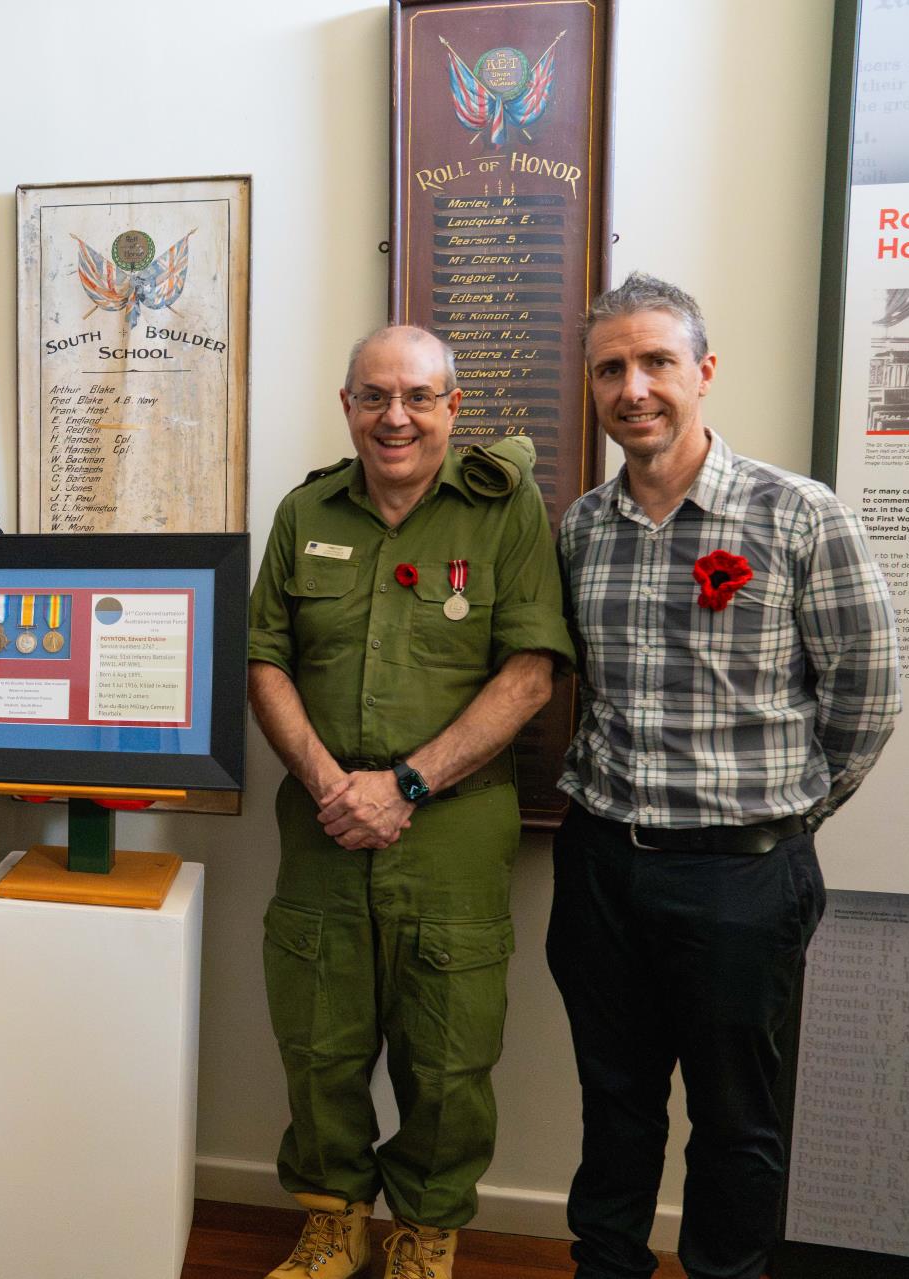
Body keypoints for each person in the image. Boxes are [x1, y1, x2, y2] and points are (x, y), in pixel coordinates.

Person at [549, 273, 900, 1279]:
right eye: (611, 367)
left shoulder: (797, 515)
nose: (635, 387)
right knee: (613, 1108)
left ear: (702, 371)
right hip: (603, 868)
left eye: (657, 360)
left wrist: (779, 823)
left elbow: (868, 698)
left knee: (739, 1124)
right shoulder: (580, 529)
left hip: (744, 879)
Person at [247, 325, 574, 1279]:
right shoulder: (305, 510)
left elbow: (529, 672)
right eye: (375, 395)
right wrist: (326, 781)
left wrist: (407, 783)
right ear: (346, 405)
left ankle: (424, 1232)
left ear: (452, 407)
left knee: (447, 1052)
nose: (396, 416)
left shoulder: (502, 511)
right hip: (321, 824)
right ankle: (334, 1219)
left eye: (419, 396)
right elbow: (265, 656)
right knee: (318, 1038)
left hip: (452, 831)